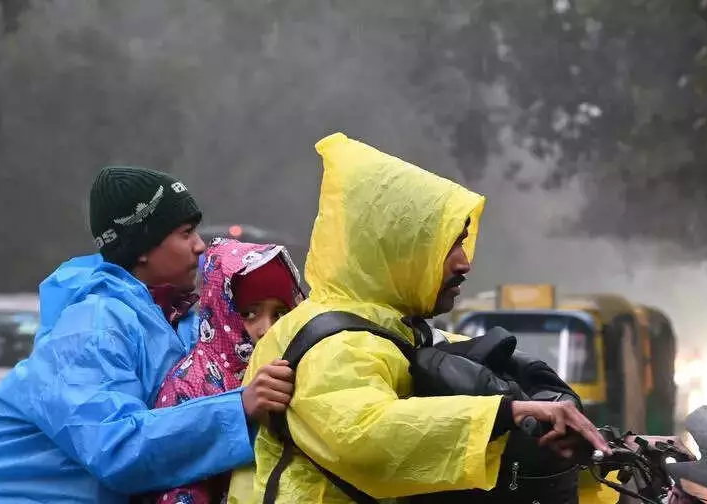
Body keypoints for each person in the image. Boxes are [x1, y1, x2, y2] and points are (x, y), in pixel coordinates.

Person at [230, 133, 610, 503]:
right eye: (449, 244)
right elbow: (365, 434)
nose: (464, 262)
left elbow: (450, 352)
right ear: (399, 250)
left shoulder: (386, 327)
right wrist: (507, 413)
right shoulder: (335, 343)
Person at [0, 166, 294, 503]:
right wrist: (239, 408)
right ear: (142, 247)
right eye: (185, 233)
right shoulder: (92, 327)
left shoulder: (176, 320)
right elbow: (115, 448)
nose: (199, 246)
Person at [148, 238, 304, 504]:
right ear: (221, 310)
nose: (267, 329)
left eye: (279, 314)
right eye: (249, 313)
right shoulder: (191, 383)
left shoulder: (298, 370)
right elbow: (179, 486)